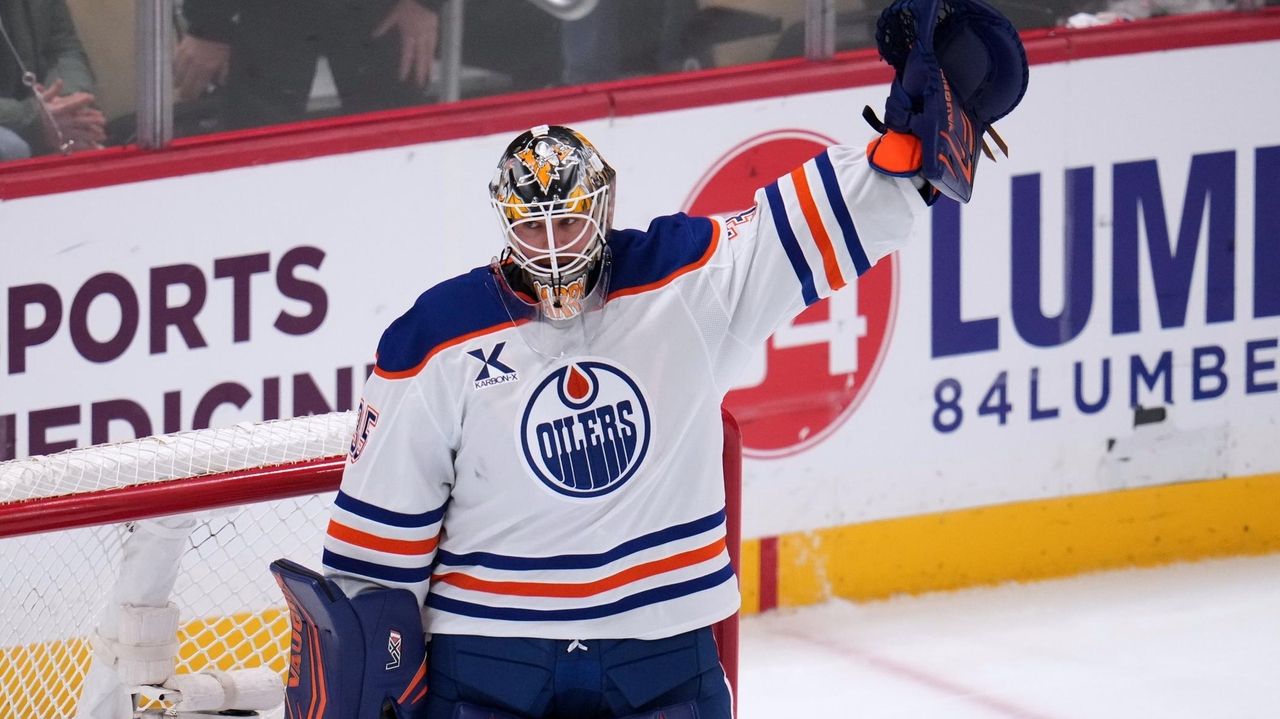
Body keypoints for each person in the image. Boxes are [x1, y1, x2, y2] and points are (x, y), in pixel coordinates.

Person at [270, 1, 1027, 716]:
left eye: (570, 219)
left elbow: (810, 219)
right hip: (495, 653)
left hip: (658, 646)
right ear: (504, 223)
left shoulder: (685, 279)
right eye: (534, 227)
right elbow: (377, 550)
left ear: (604, 204)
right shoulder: (433, 338)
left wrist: (908, 156)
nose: (556, 244)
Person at [175, 0, 441, 130]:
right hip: (273, 12)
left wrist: (423, 3)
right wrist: (209, 25)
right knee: (257, 150)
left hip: (380, 11)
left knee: (395, 142)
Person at [0, 0, 105, 159]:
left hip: (41, 112)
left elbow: (64, 49)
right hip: (14, 125)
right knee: (13, 149)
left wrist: (67, 105)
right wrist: (31, 119)